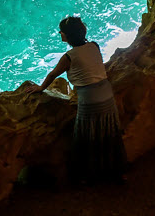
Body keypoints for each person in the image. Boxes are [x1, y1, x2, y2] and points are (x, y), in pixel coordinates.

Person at [26, 15, 127, 184]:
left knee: (87, 137)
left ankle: (89, 177)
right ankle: (115, 172)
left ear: (67, 35)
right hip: (107, 95)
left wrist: (40, 88)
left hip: (90, 99)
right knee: (109, 134)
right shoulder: (94, 46)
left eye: (62, 32)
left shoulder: (69, 57)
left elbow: (53, 74)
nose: (60, 34)